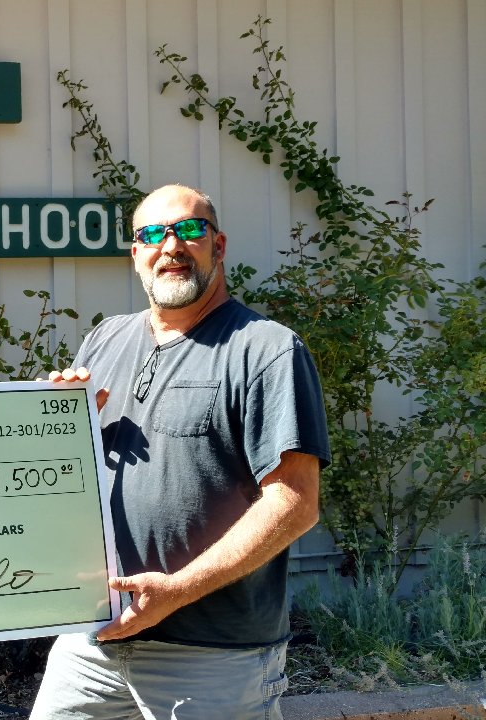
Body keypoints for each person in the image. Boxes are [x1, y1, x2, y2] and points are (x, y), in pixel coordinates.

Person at [30, 184, 331, 719]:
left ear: (218, 245)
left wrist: (178, 589)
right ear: (135, 255)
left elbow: (295, 502)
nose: (170, 245)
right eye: (151, 234)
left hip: (210, 655)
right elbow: (68, 477)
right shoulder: (105, 339)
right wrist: (58, 424)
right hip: (93, 641)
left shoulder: (266, 348)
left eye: (188, 229)